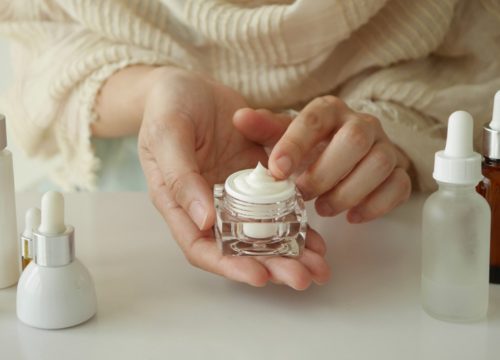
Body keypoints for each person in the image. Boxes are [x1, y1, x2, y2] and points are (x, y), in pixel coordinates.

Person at [1, 0, 500, 290]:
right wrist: (154, 90)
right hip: (113, 193)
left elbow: (471, 58)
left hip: (368, 210)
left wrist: (387, 133)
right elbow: (34, 33)